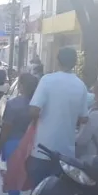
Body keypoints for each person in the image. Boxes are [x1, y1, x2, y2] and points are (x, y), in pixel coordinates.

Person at [26, 47, 89, 186]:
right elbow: (84, 118)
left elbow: (34, 110)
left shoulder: (47, 80)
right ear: (75, 62)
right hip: (66, 152)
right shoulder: (81, 85)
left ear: (58, 61)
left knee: (39, 191)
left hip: (43, 149)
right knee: (61, 192)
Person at [0, 72, 38, 195]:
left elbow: (6, 127)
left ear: (21, 86)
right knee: (32, 174)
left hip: (14, 142)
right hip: (34, 142)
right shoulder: (37, 104)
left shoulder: (13, 104)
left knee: (14, 174)